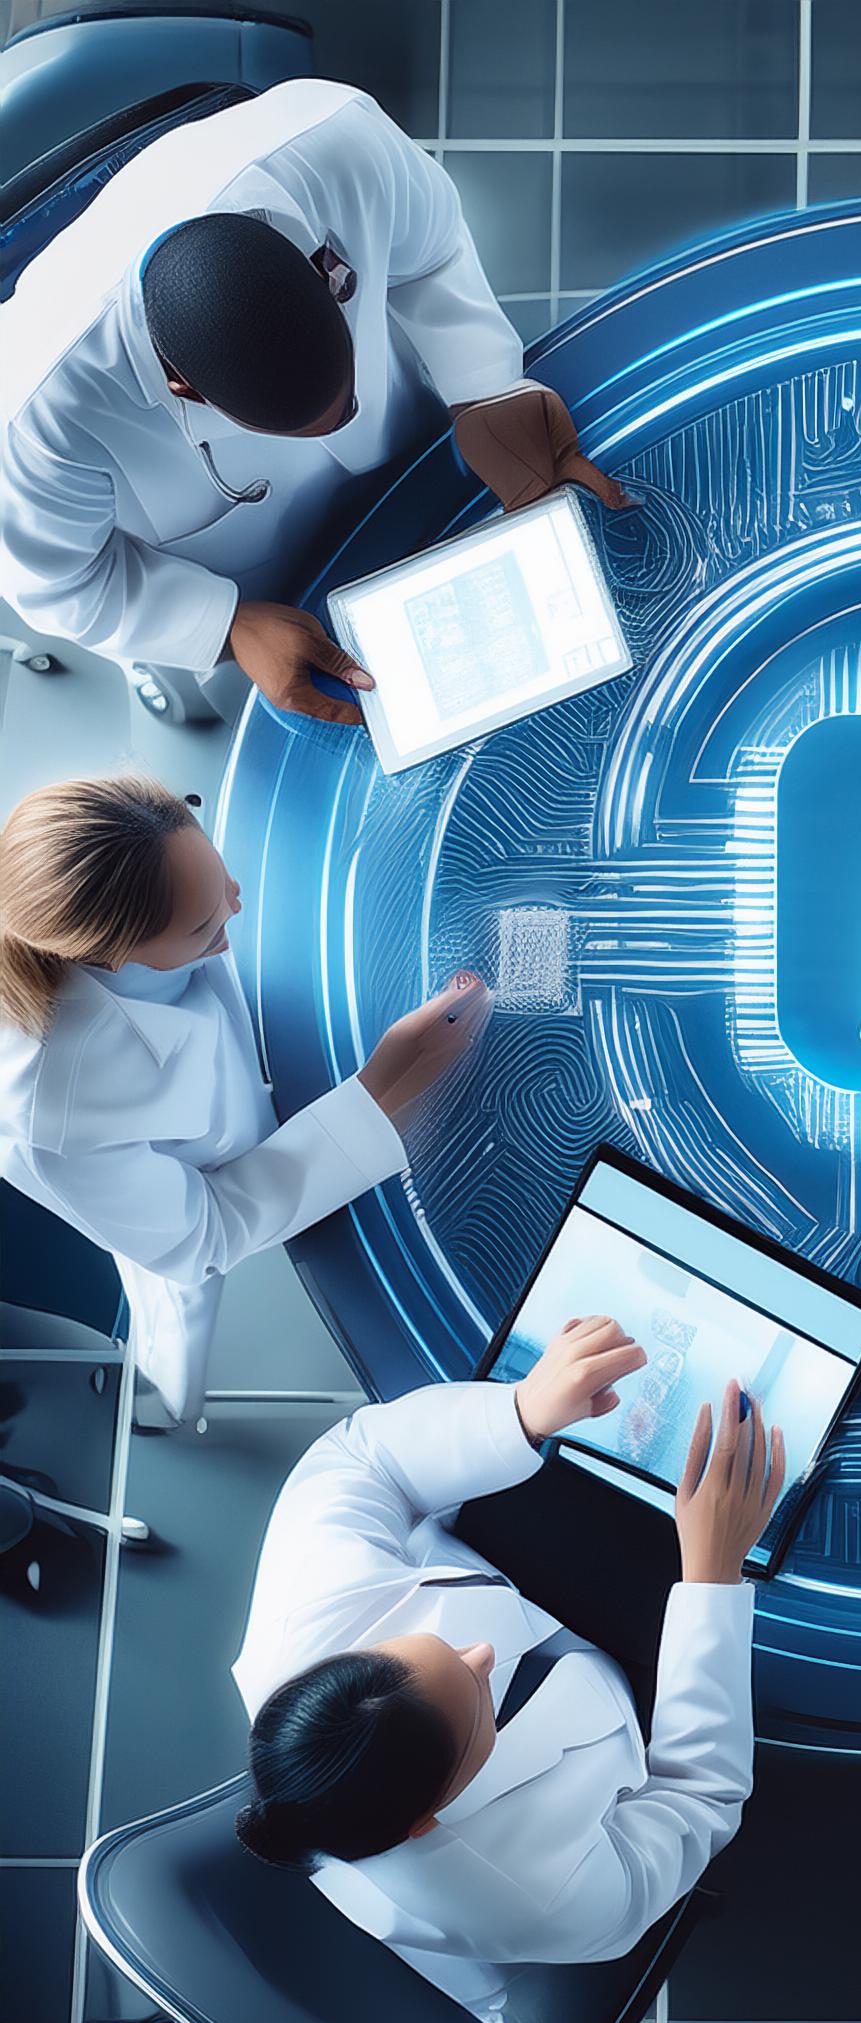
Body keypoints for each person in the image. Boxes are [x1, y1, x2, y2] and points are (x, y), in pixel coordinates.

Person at [0, 79, 631, 725]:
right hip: (261, 583)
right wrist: (225, 624)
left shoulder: (340, 146)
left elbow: (433, 250)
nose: (350, 422)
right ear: (181, 387)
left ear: (322, 276)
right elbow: (62, 585)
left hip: (420, 457)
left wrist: (485, 388)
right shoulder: (34, 415)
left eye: (346, 395)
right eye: (308, 426)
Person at [231, 1333, 782, 2023]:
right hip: (628, 1702)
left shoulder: (306, 1615)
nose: (483, 1654)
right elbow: (699, 1796)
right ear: (431, 1818)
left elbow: (361, 1456)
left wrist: (519, 1412)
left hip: (508, 1566)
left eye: (433, 1650)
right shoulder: (543, 1896)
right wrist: (712, 1579)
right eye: (476, 1700)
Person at [0, 774, 489, 1426]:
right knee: (180, 1308)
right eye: (204, 925)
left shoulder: (128, 855)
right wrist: (379, 1093)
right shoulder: (56, 1117)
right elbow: (209, 1231)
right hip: (179, 1221)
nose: (234, 907)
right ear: (111, 956)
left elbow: (202, 908)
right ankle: (160, 1410)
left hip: (252, 1084)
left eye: (221, 878)